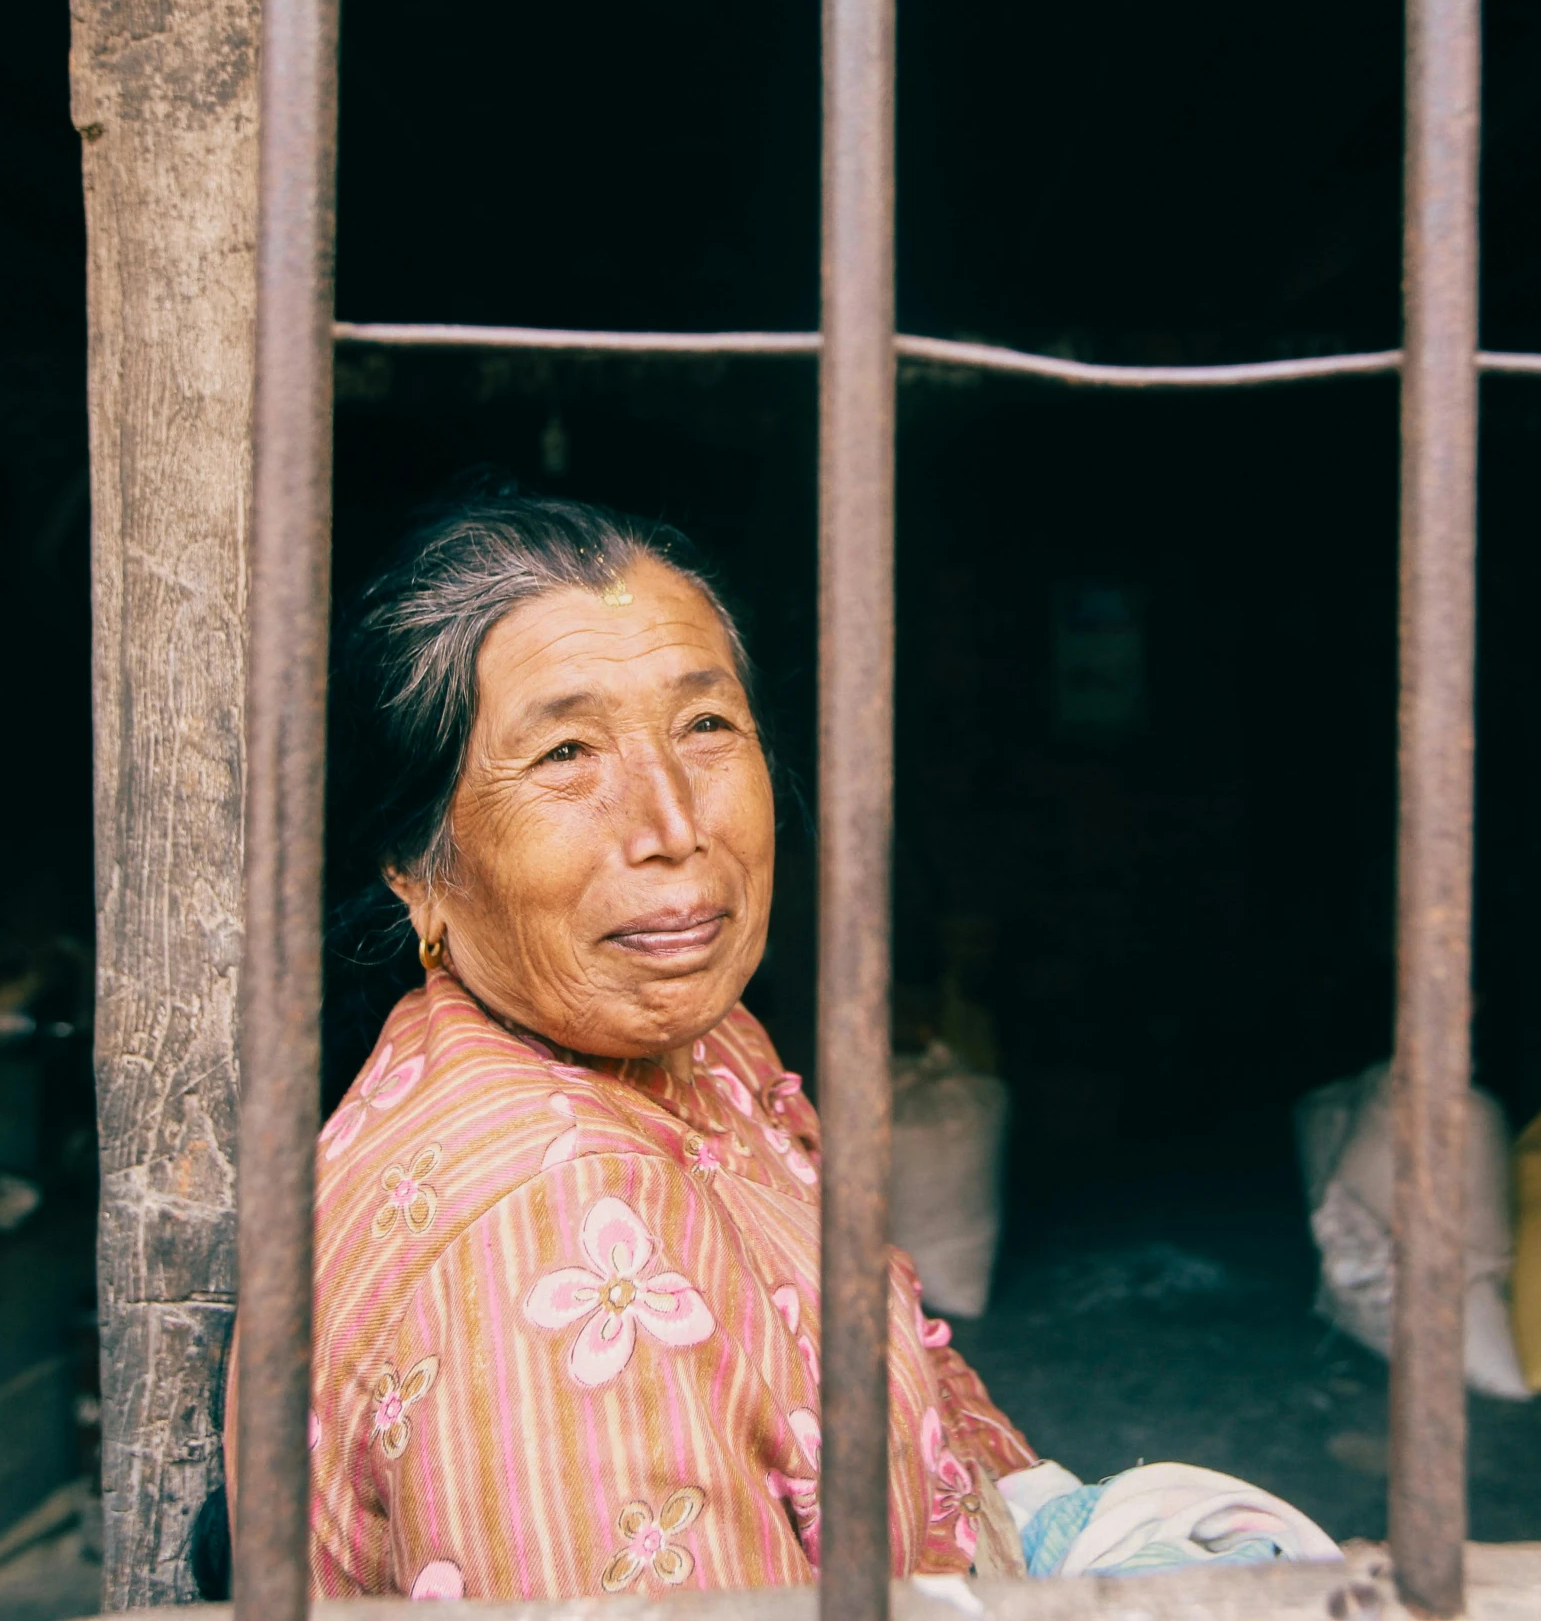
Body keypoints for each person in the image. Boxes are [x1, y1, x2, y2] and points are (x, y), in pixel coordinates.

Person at [245, 483, 1337, 1600]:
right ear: (416, 867)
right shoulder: (557, 1242)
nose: (674, 826)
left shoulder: (700, 1043)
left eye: (704, 726)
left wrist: (1038, 1520)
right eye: (567, 753)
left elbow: (893, 1352)